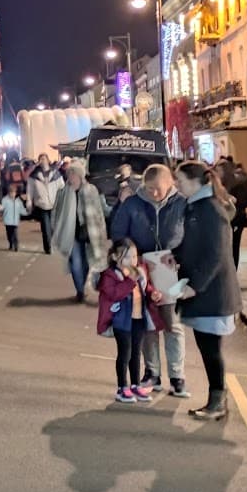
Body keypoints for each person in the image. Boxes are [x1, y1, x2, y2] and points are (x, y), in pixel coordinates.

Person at [171, 161, 243, 420]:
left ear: (195, 182)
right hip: (208, 293)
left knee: (211, 350)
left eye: (179, 180)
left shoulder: (210, 210)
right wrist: (174, 255)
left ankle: (218, 403)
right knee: (207, 347)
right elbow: (194, 244)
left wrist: (194, 286)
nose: (176, 184)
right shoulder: (197, 206)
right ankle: (217, 401)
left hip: (213, 293)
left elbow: (217, 254)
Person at [109, 163, 189, 397]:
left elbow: (191, 235)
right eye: (149, 188)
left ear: (170, 183)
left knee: (172, 324)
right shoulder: (133, 204)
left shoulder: (182, 203)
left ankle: (177, 376)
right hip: (140, 266)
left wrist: (183, 259)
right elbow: (118, 233)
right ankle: (152, 372)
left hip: (169, 265)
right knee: (147, 324)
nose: (154, 193)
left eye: (158, 188)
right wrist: (129, 260)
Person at [97, 239, 152, 404]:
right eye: (127, 257)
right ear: (114, 257)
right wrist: (130, 281)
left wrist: (153, 293)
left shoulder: (138, 273)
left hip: (138, 319)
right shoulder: (110, 275)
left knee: (136, 353)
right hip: (122, 322)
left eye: (134, 256)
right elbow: (114, 294)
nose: (132, 261)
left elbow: (145, 289)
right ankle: (122, 387)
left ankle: (135, 385)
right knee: (125, 354)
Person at [50, 160, 108, 303]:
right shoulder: (63, 192)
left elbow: (100, 212)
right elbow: (56, 212)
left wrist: (103, 230)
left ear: (81, 176)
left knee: (87, 262)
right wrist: (56, 228)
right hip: (71, 234)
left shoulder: (91, 190)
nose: (71, 177)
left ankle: (82, 285)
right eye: (70, 174)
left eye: (74, 174)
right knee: (76, 262)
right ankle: (80, 291)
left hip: (89, 233)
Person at [27, 154, 61, 254]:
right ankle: (48, 247)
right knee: (46, 227)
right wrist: (29, 201)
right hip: (42, 203)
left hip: (54, 203)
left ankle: (54, 243)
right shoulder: (34, 175)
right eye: (40, 159)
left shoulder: (55, 173)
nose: (42, 160)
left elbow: (61, 186)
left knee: (53, 226)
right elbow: (30, 189)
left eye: (44, 158)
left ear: (48, 160)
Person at [0, 182, 26, 252]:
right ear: (8, 193)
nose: (12, 194)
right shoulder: (5, 200)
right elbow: (2, 207)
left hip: (15, 221)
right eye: (11, 193)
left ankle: (16, 245)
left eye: (14, 192)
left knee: (15, 234)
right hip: (8, 221)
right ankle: (11, 243)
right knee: (9, 234)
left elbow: (21, 209)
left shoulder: (18, 201)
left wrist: (27, 212)